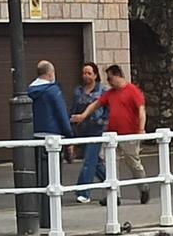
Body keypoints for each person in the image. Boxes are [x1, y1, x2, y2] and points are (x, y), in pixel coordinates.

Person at [74, 64, 151, 205]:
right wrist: (83, 116)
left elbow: (141, 110)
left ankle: (144, 188)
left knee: (133, 163)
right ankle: (114, 195)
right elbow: (96, 104)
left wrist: (141, 129)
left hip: (129, 134)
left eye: (110, 78)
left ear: (117, 76)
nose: (108, 82)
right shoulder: (110, 93)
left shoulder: (133, 91)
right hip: (113, 135)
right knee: (110, 164)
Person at [27, 60, 72, 225]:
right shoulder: (53, 91)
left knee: (40, 180)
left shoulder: (29, 91)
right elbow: (61, 115)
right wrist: (69, 136)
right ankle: (52, 218)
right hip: (53, 139)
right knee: (54, 179)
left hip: (35, 138)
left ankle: (40, 215)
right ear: (50, 73)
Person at [71, 61, 107, 203]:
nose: (86, 76)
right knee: (96, 162)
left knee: (89, 160)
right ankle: (112, 182)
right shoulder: (78, 91)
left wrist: (104, 122)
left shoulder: (102, 91)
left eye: (89, 73)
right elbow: (74, 110)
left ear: (95, 75)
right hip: (82, 130)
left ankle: (83, 192)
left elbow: (107, 110)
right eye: (84, 73)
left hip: (97, 129)